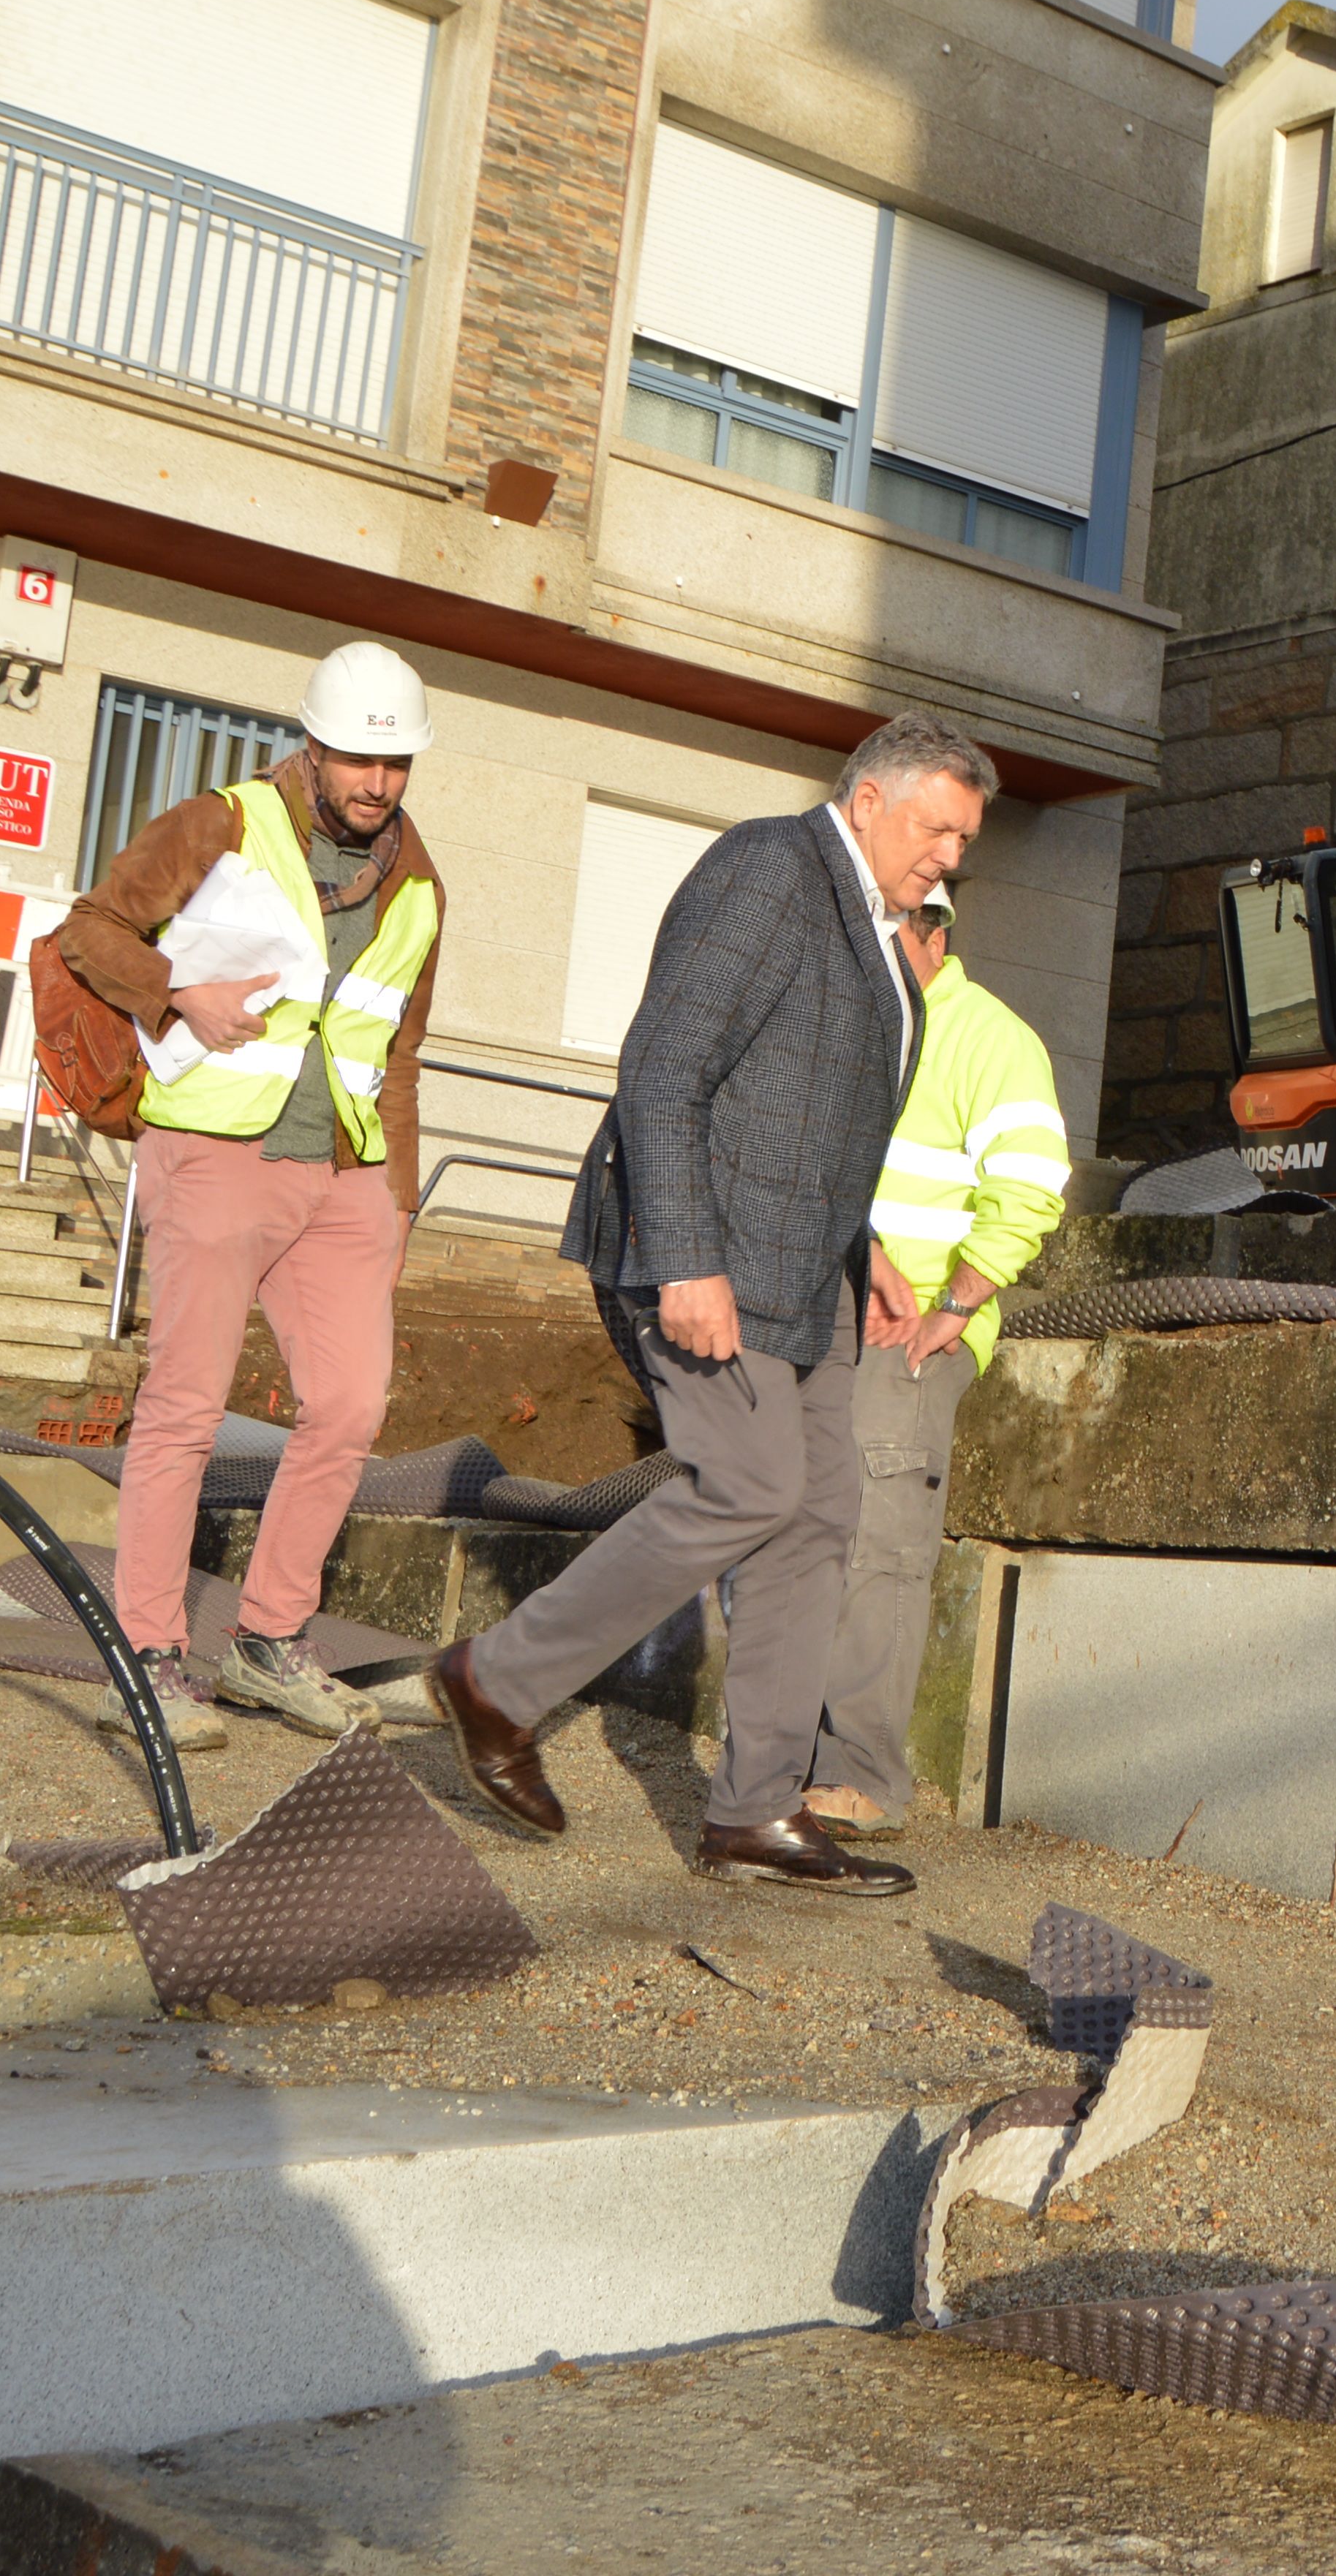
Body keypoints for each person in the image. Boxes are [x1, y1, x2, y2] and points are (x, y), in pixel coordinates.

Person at [426, 716, 995, 1892]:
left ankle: (754, 1813)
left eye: (963, 839)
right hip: (704, 1260)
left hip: (812, 1270)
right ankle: (496, 1682)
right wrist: (685, 1259)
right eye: (937, 828)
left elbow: (814, 1109)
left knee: (818, 1515)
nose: (949, 856)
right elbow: (665, 1066)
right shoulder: (767, 870)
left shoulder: (885, 937)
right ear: (873, 799)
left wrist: (871, 1243)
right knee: (749, 1486)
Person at [53, 641, 446, 1749]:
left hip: (349, 1175)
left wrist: (398, 1201)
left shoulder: (420, 885)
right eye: (359, 758)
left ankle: (271, 1643)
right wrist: (180, 991)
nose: (377, 782)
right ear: (314, 748)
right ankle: (151, 1658)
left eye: (396, 763)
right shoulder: (220, 823)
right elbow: (90, 931)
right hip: (218, 1154)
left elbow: (400, 1052)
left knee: (352, 1407)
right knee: (183, 1406)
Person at [799, 896, 1070, 1840]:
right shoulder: (857, 1026)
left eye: (903, 934)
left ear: (939, 936)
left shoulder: (988, 1038)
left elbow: (1031, 1187)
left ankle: (863, 1778)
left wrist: (958, 1303)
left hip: (911, 1325)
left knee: (881, 1544)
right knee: (804, 1530)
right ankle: (794, 1760)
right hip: (827, 1312)